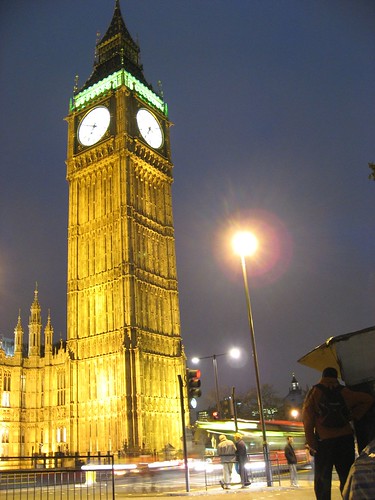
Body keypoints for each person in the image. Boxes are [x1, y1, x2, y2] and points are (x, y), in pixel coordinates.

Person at [302, 366, 374, 500]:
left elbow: (307, 420)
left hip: (324, 442)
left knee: (322, 480)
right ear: (336, 377)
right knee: (346, 477)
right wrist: (353, 415)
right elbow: (368, 399)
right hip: (344, 440)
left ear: (323, 376)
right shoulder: (345, 392)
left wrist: (312, 443)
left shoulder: (314, 392)